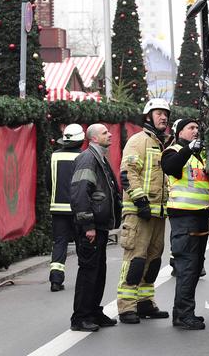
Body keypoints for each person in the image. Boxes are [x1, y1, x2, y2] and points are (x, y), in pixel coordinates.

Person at [117, 98, 171, 324]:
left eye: (166, 114)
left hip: (159, 213)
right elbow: (127, 172)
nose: (164, 117)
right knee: (135, 259)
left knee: (154, 260)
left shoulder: (163, 143)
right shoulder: (138, 140)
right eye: (159, 113)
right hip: (140, 212)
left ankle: (145, 302)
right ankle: (126, 306)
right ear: (148, 116)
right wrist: (141, 202)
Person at [69, 123, 122, 332]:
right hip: (90, 227)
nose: (109, 134)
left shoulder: (99, 157)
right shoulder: (88, 159)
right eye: (104, 133)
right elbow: (80, 194)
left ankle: (94, 311)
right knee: (89, 271)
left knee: (99, 271)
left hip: (99, 226)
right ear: (93, 139)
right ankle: (80, 317)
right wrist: (88, 225)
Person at [162, 118, 209, 330]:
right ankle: (184, 315)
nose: (195, 131)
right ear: (179, 132)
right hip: (184, 218)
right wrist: (189, 150)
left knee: (194, 269)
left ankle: (183, 313)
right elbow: (171, 167)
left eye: (196, 127)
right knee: (187, 267)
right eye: (190, 128)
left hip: (200, 217)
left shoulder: (200, 156)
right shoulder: (173, 151)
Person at [47, 124, 85, 292]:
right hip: (79, 208)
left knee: (60, 243)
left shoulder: (54, 157)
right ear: (81, 140)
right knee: (81, 244)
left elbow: (48, 182)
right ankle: (85, 279)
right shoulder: (84, 157)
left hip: (58, 209)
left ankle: (56, 280)